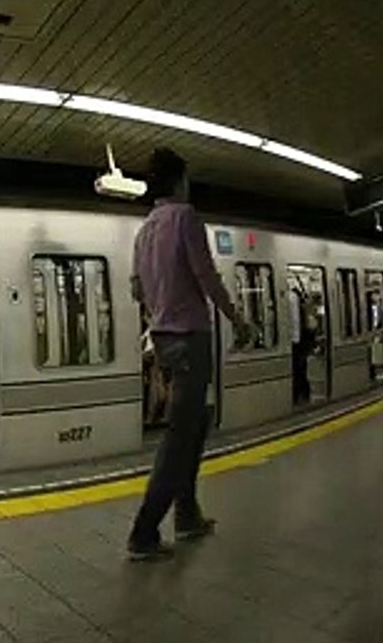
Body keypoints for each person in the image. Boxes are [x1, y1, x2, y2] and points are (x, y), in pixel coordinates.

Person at [127, 148, 251, 561]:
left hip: (164, 338)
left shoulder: (144, 230)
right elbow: (206, 277)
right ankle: (144, 532)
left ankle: (186, 513)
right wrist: (238, 318)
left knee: (195, 423)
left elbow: (136, 290)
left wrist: (159, 311)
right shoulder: (185, 217)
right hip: (191, 338)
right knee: (181, 436)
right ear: (179, 180)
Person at [288, 285, 311, 405]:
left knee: (297, 370)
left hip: (296, 341)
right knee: (300, 370)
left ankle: (298, 395)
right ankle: (303, 394)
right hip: (300, 341)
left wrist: (294, 339)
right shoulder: (299, 301)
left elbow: (295, 322)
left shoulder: (290, 298)